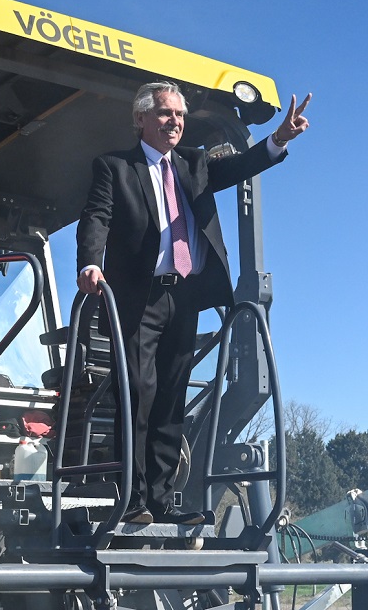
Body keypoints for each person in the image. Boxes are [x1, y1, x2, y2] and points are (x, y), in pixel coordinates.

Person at [77, 82, 312, 523]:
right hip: (138, 299)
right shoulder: (114, 167)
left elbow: (241, 166)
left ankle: (162, 503)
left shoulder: (195, 164)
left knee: (171, 397)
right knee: (139, 394)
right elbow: (97, 217)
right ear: (141, 119)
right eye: (166, 114)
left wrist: (278, 140)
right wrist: (90, 263)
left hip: (184, 296)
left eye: (180, 116)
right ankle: (131, 500)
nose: (175, 123)